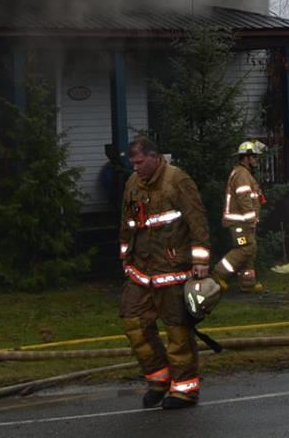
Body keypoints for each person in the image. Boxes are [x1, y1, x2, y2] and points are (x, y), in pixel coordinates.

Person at [118, 135, 212, 409]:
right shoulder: (133, 183)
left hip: (172, 270)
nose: (135, 168)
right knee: (134, 324)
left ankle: (184, 389)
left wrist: (200, 261)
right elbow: (126, 223)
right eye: (132, 163)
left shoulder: (177, 181)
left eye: (139, 162)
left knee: (177, 332)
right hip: (140, 271)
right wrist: (125, 257)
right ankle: (159, 379)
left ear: (154, 157)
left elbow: (197, 221)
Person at [213, 139, 267, 289]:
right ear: (246, 158)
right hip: (239, 224)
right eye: (254, 157)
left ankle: (247, 283)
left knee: (251, 248)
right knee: (245, 248)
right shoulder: (242, 175)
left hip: (245, 223)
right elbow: (244, 199)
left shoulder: (245, 174)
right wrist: (251, 220)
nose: (256, 160)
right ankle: (218, 274)